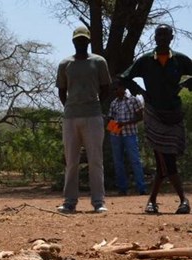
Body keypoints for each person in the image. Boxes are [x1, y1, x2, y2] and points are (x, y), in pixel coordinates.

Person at [120, 24, 192, 214]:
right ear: (154, 37)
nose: (161, 38)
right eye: (159, 34)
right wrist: (141, 91)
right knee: (164, 158)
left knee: (167, 159)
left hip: (174, 114)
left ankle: (152, 201)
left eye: (165, 35)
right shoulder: (145, 61)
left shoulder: (180, 60)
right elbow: (124, 78)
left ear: (171, 37)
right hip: (154, 113)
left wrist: (186, 83)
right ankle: (183, 200)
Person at [56, 26, 112, 214]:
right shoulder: (65, 64)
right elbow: (61, 91)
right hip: (71, 117)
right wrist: (71, 105)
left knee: (95, 160)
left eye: (84, 40)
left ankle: (98, 201)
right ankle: (69, 201)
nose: (80, 42)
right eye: (77, 40)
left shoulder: (99, 62)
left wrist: (93, 104)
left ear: (88, 41)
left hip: (93, 116)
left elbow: (106, 88)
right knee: (71, 161)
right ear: (73, 41)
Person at [107, 80, 147, 195]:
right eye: (114, 89)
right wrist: (112, 125)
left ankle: (141, 188)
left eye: (116, 88)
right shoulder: (113, 103)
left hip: (130, 134)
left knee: (135, 161)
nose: (115, 91)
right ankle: (122, 188)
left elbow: (140, 117)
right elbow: (110, 118)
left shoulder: (133, 100)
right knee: (118, 162)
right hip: (116, 135)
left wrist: (125, 124)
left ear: (123, 88)